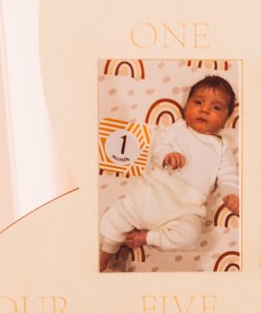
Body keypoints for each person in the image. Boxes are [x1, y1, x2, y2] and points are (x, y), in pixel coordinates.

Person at [99, 74, 240, 267]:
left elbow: (228, 176)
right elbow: (159, 143)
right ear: (186, 106)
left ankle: (147, 238)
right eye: (198, 102)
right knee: (117, 215)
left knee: (190, 235)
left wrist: (231, 193)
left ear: (225, 119)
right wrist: (167, 154)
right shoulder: (178, 128)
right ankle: (107, 251)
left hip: (185, 209)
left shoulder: (221, 145)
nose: (205, 110)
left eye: (216, 108)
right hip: (152, 194)